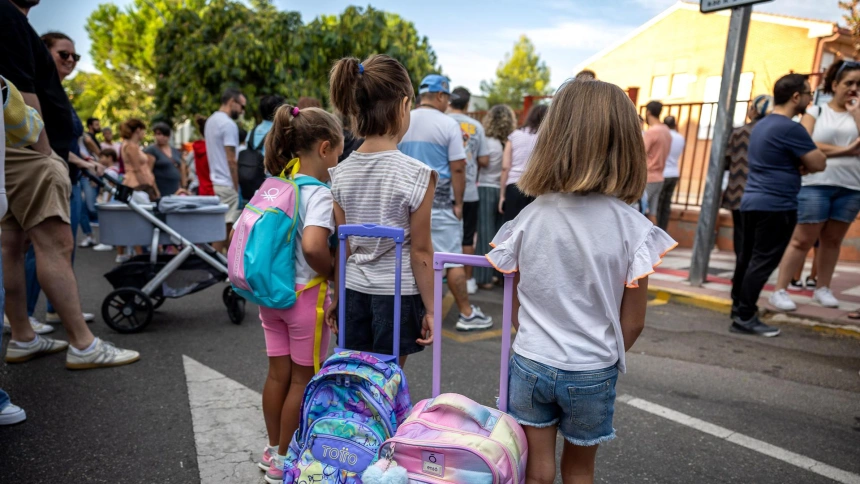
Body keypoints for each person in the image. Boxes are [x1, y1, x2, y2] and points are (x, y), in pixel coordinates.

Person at [486, 79, 675, 484]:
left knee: (536, 470)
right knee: (579, 471)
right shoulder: (633, 227)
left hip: (532, 361)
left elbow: (517, 300)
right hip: (592, 367)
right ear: (625, 145)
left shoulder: (530, 217)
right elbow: (635, 321)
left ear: (553, 138)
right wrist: (600, 355)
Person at [0, 0, 139, 369]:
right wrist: (45, 152)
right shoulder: (9, 16)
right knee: (56, 244)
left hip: (15, 151)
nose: (72, 61)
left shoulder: (14, 20)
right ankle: (83, 344)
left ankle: (23, 336)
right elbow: (20, 89)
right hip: (30, 151)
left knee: (12, 246)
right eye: (66, 56)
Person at [325, 54, 436, 365]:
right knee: (387, 383)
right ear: (403, 106)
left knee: (356, 381)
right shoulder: (417, 175)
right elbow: (421, 252)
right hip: (397, 294)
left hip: (353, 291)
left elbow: (342, 248)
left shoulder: (340, 173)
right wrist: (431, 308)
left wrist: (337, 297)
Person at [255, 105, 341, 484]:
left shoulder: (276, 185)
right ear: (324, 148)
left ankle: (273, 447)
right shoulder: (318, 193)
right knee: (302, 379)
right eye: (338, 151)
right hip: (305, 298)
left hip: (270, 295)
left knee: (277, 375)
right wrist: (335, 270)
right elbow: (312, 246)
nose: (339, 159)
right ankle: (286, 458)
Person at [731, 74, 826, 337]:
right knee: (762, 262)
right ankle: (745, 317)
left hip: (751, 201)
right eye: (808, 93)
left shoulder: (761, 124)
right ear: (796, 97)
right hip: (776, 204)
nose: (809, 98)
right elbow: (819, 163)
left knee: (748, 259)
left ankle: (738, 309)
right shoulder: (791, 128)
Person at [399, 73, 493, 331]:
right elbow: (458, 169)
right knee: (450, 259)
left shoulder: (402, 120)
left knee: (413, 256)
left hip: (407, 204)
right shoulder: (448, 124)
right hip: (439, 204)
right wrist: (459, 203)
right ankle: (466, 312)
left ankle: (416, 313)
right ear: (440, 96)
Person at [770, 61, 860, 312]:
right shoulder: (817, 111)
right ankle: (780, 290)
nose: (854, 88)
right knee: (802, 240)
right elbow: (806, 144)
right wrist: (849, 150)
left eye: (859, 84)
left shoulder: (858, 113)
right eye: (849, 83)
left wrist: (856, 114)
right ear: (835, 85)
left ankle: (822, 288)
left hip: (851, 186)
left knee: (832, 241)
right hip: (816, 184)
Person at [721, 95, 774, 281]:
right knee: (758, 239)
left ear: (754, 110)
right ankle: (749, 275)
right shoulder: (772, 132)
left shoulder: (739, 132)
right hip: (763, 193)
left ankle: (740, 273)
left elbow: (726, 161)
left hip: (738, 191)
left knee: (741, 236)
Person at [448, 87, 489, 295]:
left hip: (441, 191)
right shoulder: (476, 126)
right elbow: (484, 159)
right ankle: (468, 280)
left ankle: (444, 276)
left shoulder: (441, 121)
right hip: (469, 191)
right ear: (467, 104)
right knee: (467, 237)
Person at [475, 105, 516, 290]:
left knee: (484, 233)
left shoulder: (486, 141)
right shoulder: (509, 142)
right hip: (503, 191)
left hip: (484, 188)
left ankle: (483, 277)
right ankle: (499, 274)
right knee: (501, 237)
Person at [205, 88, 245, 251]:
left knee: (220, 228)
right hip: (228, 183)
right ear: (232, 102)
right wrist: (237, 187)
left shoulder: (211, 120)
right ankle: (227, 268)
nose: (242, 111)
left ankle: (217, 265)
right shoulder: (228, 124)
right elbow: (231, 159)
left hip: (216, 181)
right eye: (242, 106)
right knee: (229, 231)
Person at [499, 103, 548, 222]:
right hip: (537, 187)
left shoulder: (514, 135)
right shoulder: (547, 137)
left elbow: (505, 167)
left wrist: (502, 195)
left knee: (510, 230)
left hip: (514, 186)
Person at [642, 100, 672, 223]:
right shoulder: (666, 130)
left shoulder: (652, 132)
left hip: (648, 177)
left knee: (638, 210)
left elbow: (640, 153)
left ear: (648, 112)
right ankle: (655, 242)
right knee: (652, 213)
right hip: (660, 177)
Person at [656, 115, 685, 230]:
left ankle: (656, 230)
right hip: (674, 173)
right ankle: (663, 229)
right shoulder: (680, 137)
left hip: (663, 173)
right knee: (666, 204)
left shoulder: (664, 136)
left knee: (657, 205)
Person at [144, 122, 186, 197]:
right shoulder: (152, 150)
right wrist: (155, 190)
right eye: (158, 134)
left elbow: (182, 169)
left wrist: (184, 186)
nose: (161, 137)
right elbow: (148, 172)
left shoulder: (175, 151)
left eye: (164, 135)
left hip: (176, 188)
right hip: (160, 188)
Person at [120, 118, 159, 200]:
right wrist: (146, 186)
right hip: (137, 184)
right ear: (138, 130)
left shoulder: (132, 146)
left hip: (140, 183)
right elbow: (137, 169)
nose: (144, 134)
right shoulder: (131, 147)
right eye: (143, 131)